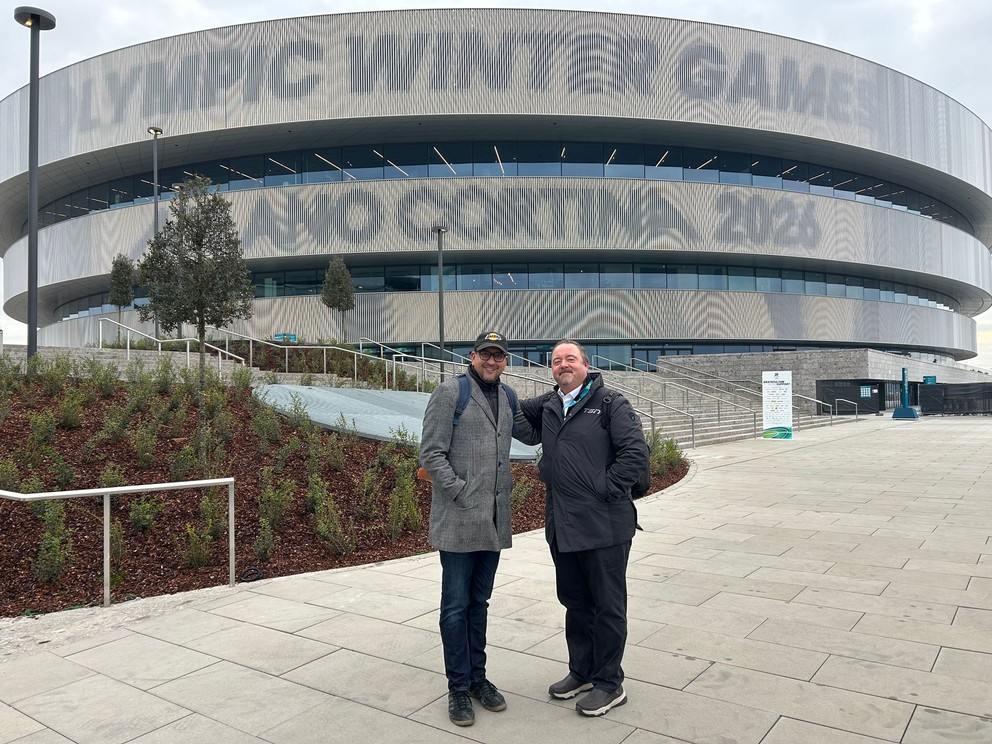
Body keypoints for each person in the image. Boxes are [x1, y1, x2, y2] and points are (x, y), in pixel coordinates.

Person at [515, 339, 649, 717]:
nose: (563, 365)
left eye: (570, 359)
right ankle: (583, 671)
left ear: (586, 366)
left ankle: (609, 682)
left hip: (605, 526)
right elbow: (514, 412)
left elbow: (635, 453)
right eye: (556, 360)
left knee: (607, 607)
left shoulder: (611, 403)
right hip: (563, 526)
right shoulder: (549, 404)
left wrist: (604, 488)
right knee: (575, 604)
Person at [419, 331, 516, 727]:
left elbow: (533, 429)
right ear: (473, 356)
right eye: (485, 354)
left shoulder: (507, 396)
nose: (492, 361)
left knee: (480, 604)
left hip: (493, 521)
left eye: (499, 356)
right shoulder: (450, 393)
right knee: (456, 607)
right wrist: (460, 491)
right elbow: (430, 452)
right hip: (459, 518)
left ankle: (478, 679)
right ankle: (458, 687)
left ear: (506, 361)